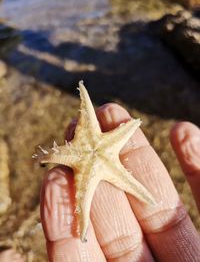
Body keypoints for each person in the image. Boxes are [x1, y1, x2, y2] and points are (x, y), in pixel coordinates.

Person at [40, 103, 200, 262]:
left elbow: (128, 129)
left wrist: (134, 123)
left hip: (98, 156)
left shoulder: (107, 149)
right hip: (98, 155)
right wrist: (134, 123)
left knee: (128, 188)